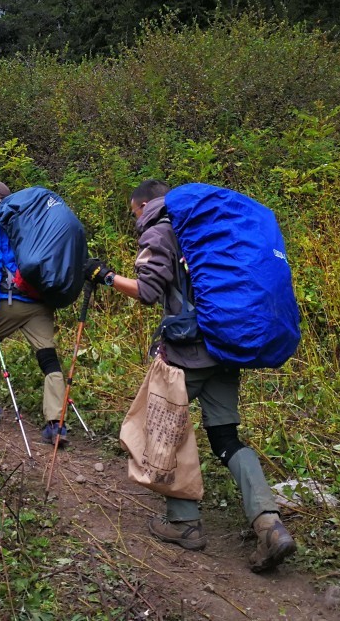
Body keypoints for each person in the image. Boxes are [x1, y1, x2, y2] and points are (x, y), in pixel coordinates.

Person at [84, 179, 296, 573]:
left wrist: (105, 276)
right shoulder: (207, 227)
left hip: (187, 354)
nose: (137, 220)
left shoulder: (160, 228)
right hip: (226, 345)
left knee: (164, 430)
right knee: (225, 436)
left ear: (144, 203)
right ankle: (269, 523)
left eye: (135, 212)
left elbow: (148, 292)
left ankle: (183, 523)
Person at [0, 181, 69, 447]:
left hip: (12, 300)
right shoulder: (32, 223)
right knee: (48, 356)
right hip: (40, 300)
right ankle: (56, 424)